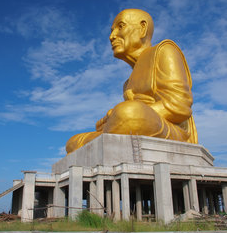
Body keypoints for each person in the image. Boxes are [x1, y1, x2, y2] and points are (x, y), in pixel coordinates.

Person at [66, 9, 198, 153]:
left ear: (142, 29)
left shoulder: (164, 51)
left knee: (128, 112)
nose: (112, 36)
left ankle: (110, 132)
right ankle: (108, 134)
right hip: (134, 124)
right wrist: (113, 117)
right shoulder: (127, 83)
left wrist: (124, 114)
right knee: (73, 143)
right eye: (112, 30)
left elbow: (179, 106)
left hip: (171, 130)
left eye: (120, 27)